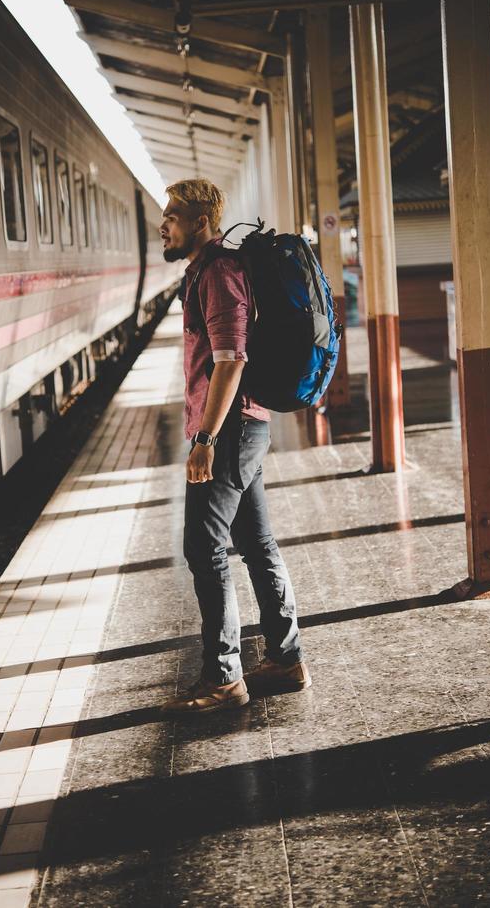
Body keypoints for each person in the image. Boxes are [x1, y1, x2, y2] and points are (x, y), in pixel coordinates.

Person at [160, 178, 310, 715]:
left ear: (200, 221)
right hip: (243, 427)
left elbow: (231, 359)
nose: (164, 224)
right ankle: (286, 659)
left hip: (229, 431)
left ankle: (224, 677)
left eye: (173, 215)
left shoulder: (219, 272)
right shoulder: (206, 270)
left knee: (205, 549)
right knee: (257, 543)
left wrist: (204, 438)